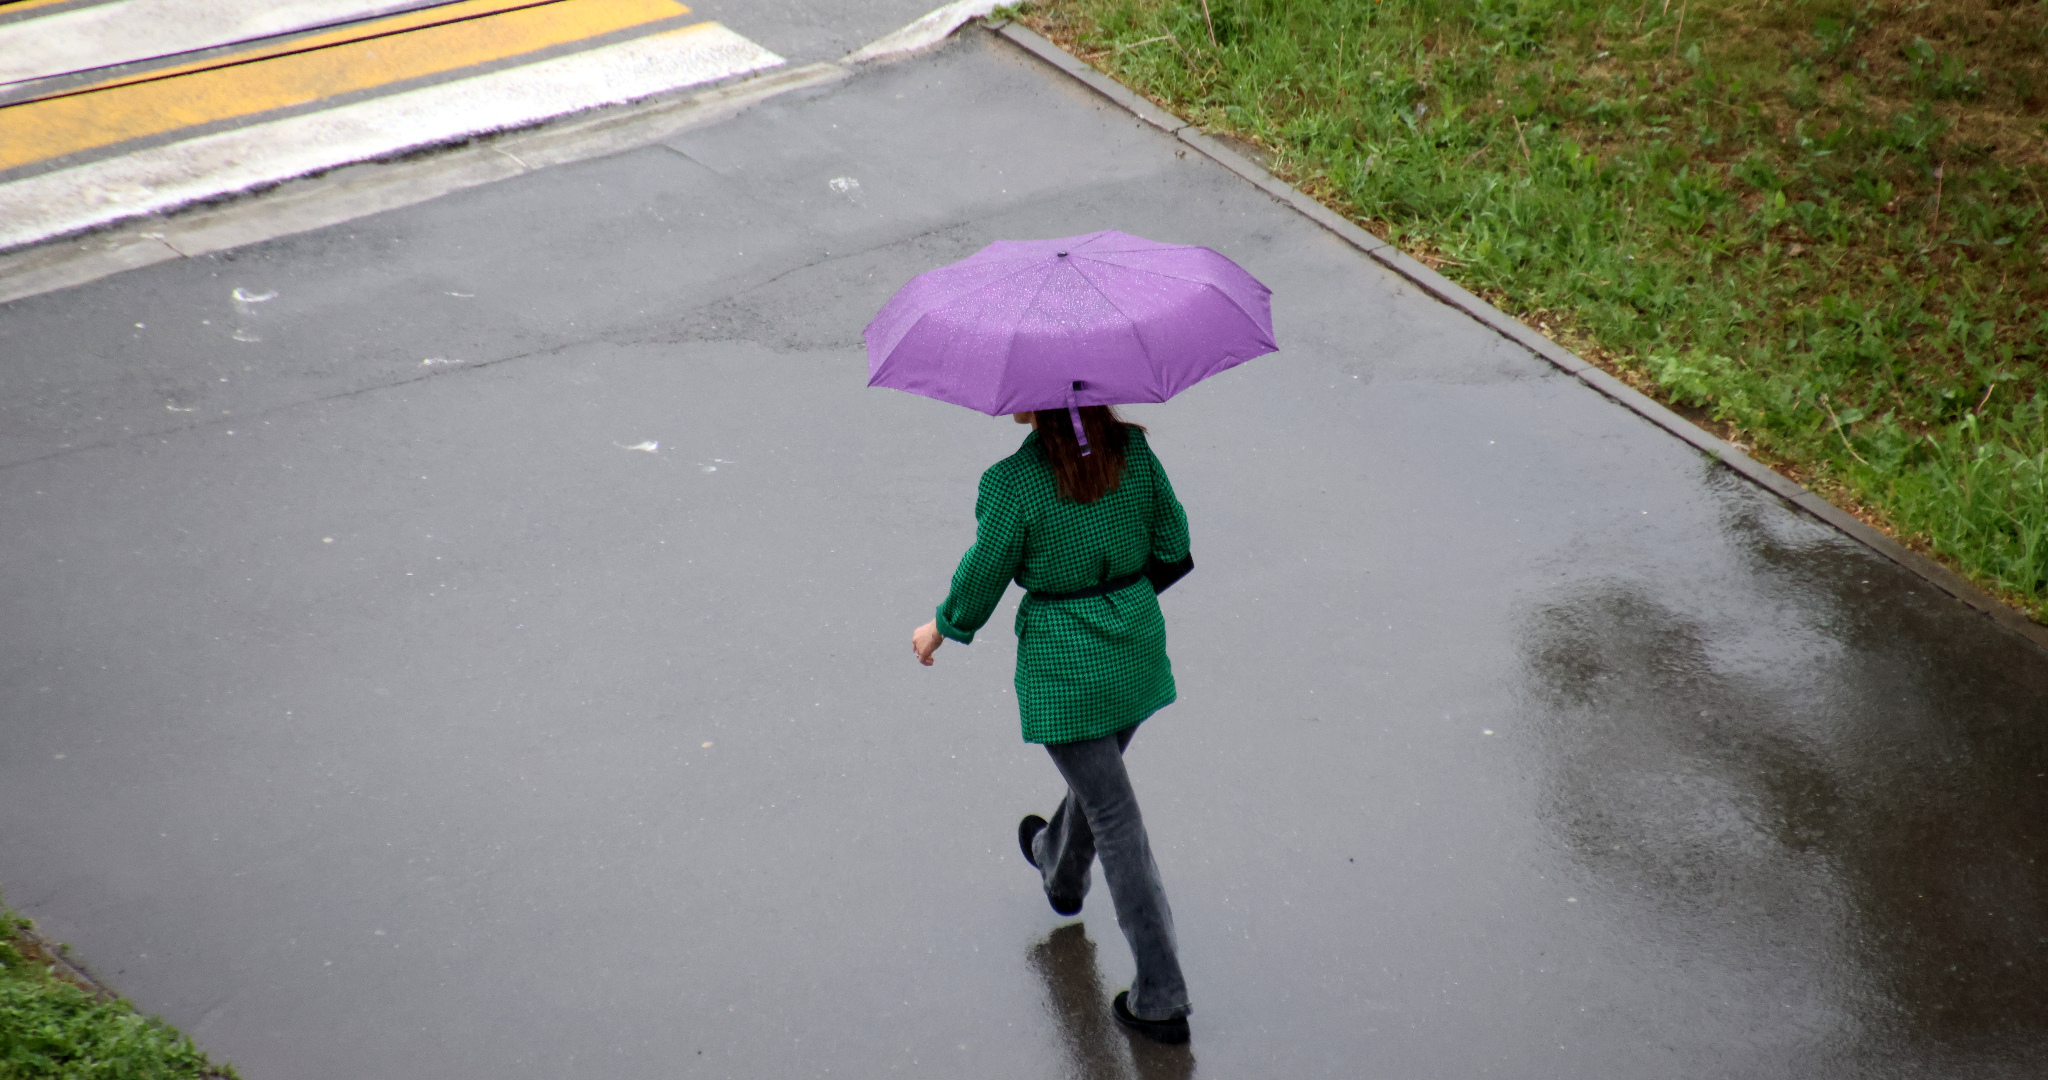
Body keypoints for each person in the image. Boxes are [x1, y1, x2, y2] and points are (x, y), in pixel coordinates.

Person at [911, 404, 1195, 1045]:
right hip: (1135, 653)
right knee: (1100, 789)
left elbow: (984, 574)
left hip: (1067, 669)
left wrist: (941, 628)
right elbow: (1174, 545)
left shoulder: (1014, 483)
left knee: (1117, 817)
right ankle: (1059, 869)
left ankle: (1162, 995)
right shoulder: (1134, 452)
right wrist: (1118, 595)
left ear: (1030, 397)